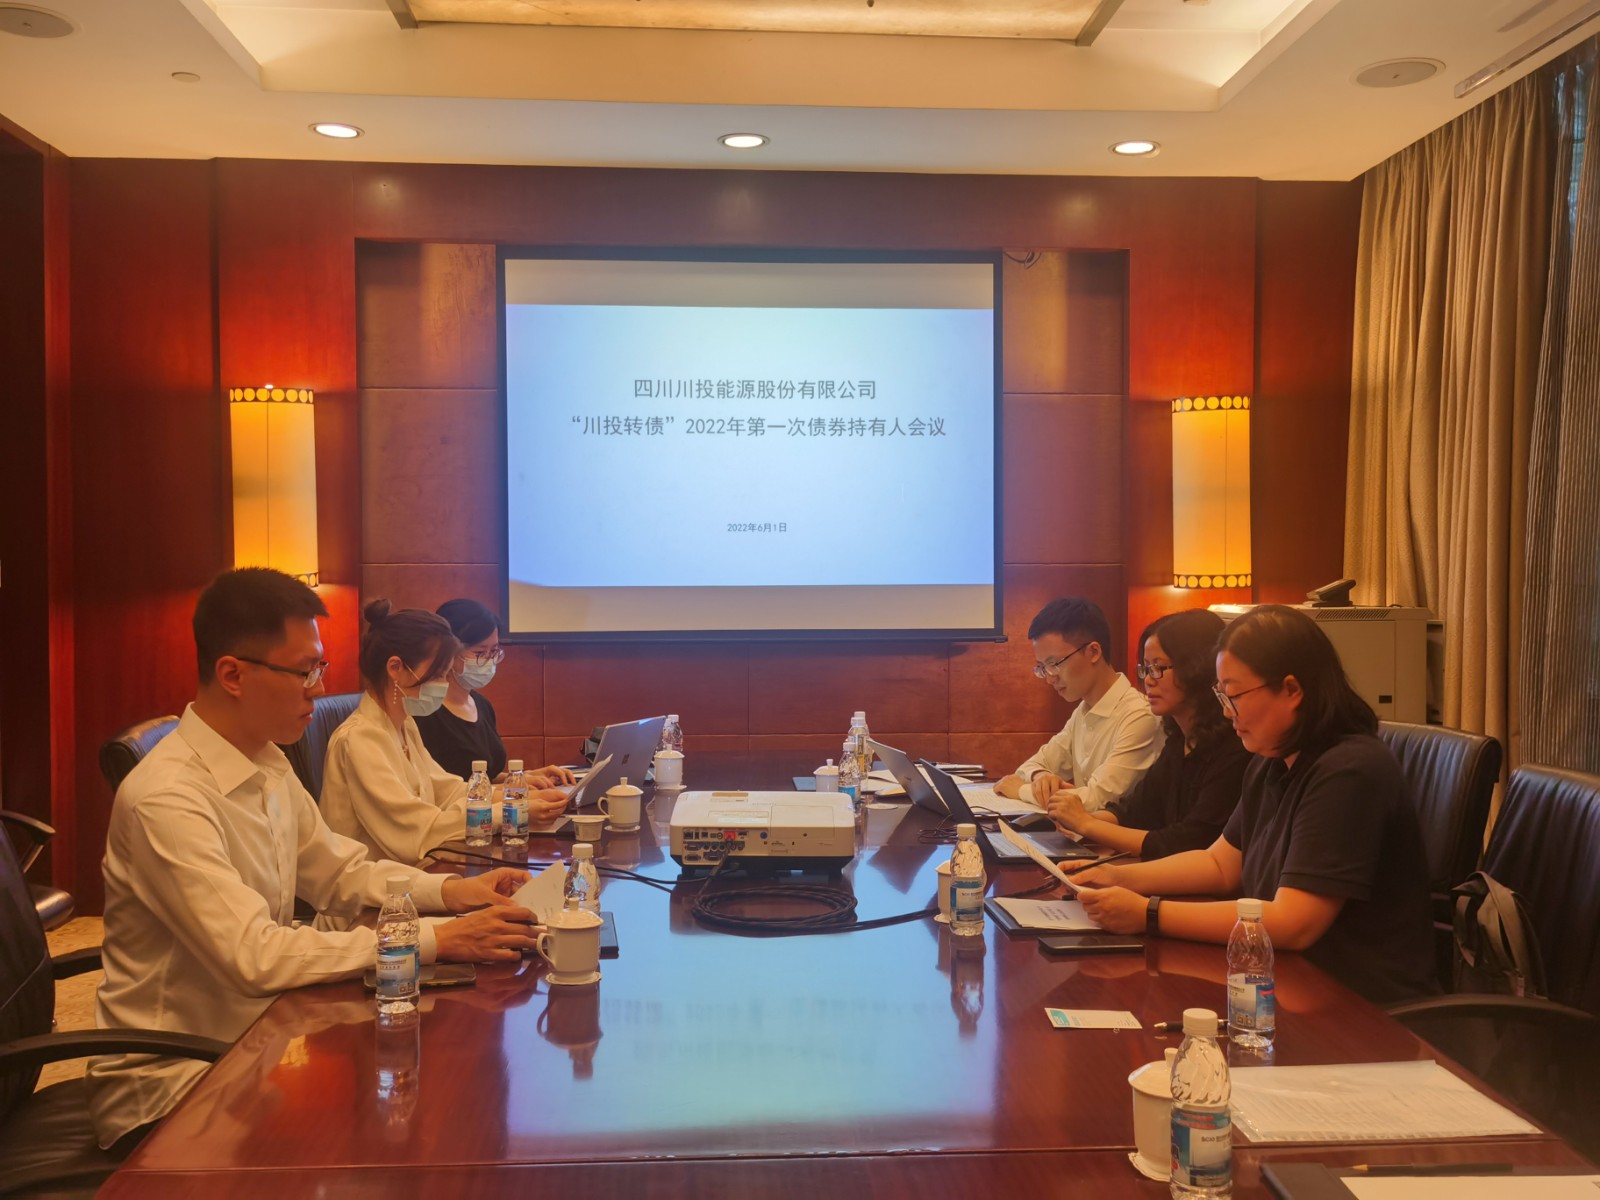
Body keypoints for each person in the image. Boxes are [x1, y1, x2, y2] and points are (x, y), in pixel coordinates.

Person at [88, 568, 539, 1151]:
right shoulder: (168, 798)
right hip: (176, 1085)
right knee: (396, 1140)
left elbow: (341, 872)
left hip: (258, 1043)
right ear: (233, 674)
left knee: (422, 1100)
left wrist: (453, 893)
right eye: (304, 671)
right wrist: (436, 939)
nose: (318, 687)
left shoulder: (266, 761)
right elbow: (255, 955)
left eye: (319, 668)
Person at [1070, 604, 1438, 1004]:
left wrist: (1148, 913)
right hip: (1282, 979)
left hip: (1358, 1004)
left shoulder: (1350, 771)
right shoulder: (1271, 760)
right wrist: (1116, 877)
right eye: (1221, 695)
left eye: (1235, 695)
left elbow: (1293, 922)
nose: (1226, 712)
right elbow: (1219, 864)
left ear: (1292, 690)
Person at [321, 599, 569, 866]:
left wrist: (519, 795)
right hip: (377, 886)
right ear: (395, 669)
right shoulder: (360, 739)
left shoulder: (404, 725)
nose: (443, 684)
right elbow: (419, 831)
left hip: (412, 874)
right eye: (438, 674)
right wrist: (511, 811)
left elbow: (449, 791)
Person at [1045, 610, 1249, 860]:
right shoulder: (1179, 741)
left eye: (1158, 668)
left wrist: (1087, 824)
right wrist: (1077, 821)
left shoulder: (1234, 748)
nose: (1149, 681)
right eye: (1146, 668)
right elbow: (1133, 812)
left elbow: (1189, 842)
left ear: (1197, 668)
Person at [994, 597, 1163, 812]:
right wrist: (1041, 778)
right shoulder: (1083, 712)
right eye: (1042, 667)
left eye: (1054, 664)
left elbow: (1097, 800)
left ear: (1093, 652)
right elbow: (1030, 767)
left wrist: (1021, 791)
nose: (1050, 678)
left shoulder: (1140, 716)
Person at [416, 597, 574, 788]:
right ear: (447, 651)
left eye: (494, 651)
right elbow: (439, 788)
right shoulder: (424, 710)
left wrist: (522, 777)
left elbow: (486, 776)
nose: (489, 661)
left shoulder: (481, 705)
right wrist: (508, 788)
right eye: (480, 653)